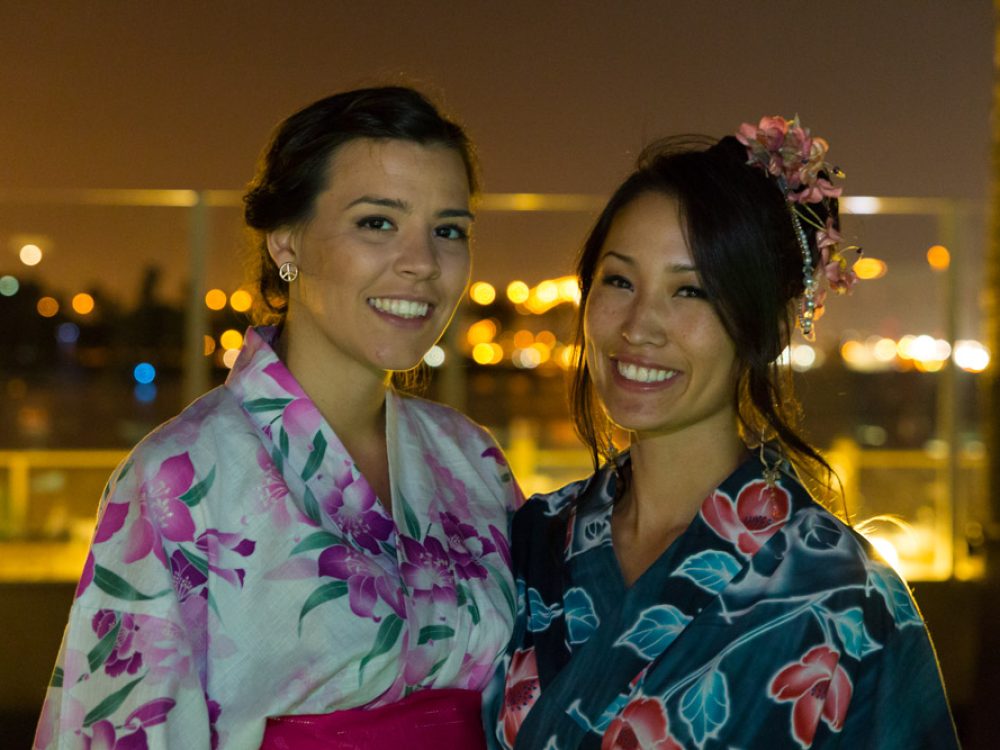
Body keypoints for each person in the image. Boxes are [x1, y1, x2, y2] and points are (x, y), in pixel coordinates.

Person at [35, 86, 521, 749]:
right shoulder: (179, 476)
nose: (422, 264)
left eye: (448, 230)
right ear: (286, 243)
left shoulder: (471, 458)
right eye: (377, 222)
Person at [486, 117, 959, 749]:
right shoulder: (529, 540)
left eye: (691, 291)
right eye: (619, 281)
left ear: (766, 328)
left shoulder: (843, 593)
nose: (639, 326)